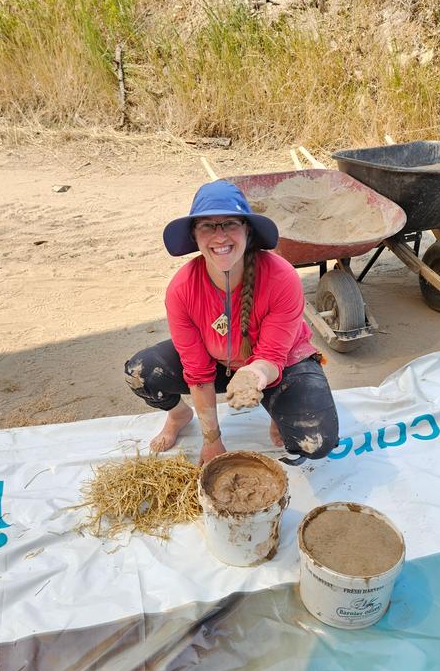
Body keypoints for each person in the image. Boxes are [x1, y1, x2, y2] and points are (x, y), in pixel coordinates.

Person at [124, 180, 339, 464]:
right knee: (140, 372)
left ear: (247, 230)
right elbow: (198, 373)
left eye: (229, 224)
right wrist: (212, 439)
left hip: (280, 363)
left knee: (316, 442)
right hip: (217, 363)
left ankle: (277, 409)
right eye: (207, 226)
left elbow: (272, 357)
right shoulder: (182, 289)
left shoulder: (281, 277)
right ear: (194, 236)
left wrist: (254, 377)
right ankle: (179, 414)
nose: (220, 236)